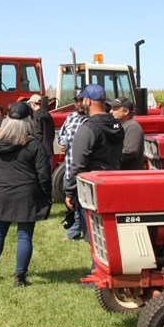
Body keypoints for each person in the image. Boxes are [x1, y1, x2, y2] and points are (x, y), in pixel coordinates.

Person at [0, 102, 52, 286]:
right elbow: (44, 174)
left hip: (1, 192)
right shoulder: (33, 144)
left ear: (7, 118)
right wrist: (45, 195)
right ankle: (20, 277)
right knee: (24, 236)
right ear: (29, 121)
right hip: (27, 195)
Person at [65, 84, 124, 244]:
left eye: (83, 98)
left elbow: (78, 165)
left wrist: (70, 192)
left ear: (88, 101)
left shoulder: (88, 128)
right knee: (109, 236)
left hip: (93, 189)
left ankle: (97, 268)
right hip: (114, 185)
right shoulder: (117, 125)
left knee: (96, 238)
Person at [57, 93, 88, 241]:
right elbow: (61, 135)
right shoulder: (71, 117)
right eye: (77, 101)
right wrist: (61, 144)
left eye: (82, 100)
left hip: (84, 170)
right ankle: (73, 232)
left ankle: (87, 233)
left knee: (85, 204)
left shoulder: (91, 119)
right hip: (69, 167)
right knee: (71, 204)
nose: (79, 104)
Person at [110, 97, 145, 170]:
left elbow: (129, 153)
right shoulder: (120, 126)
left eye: (115, 109)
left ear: (126, 111)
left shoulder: (132, 127)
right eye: (111, 108)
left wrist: (107, 157)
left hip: (129, 177)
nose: (111, 111)